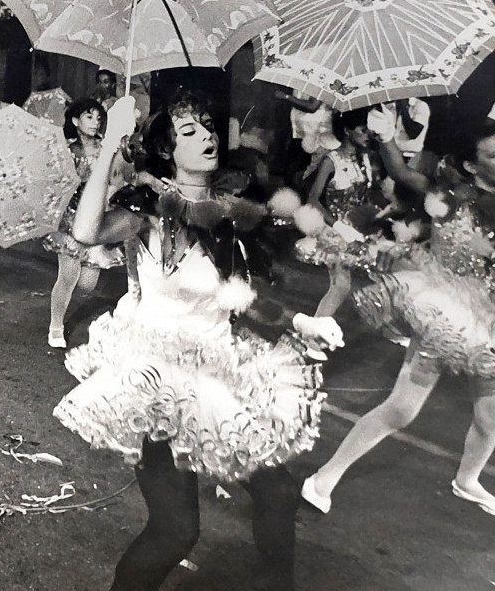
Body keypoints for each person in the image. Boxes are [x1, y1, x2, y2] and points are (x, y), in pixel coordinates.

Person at [53, 91, 341, 591]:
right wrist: (111, 141)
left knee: (277, 493)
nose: (207, 135)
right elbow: (86, 230)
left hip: (218, 370)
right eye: (189, 131)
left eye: (208, 126)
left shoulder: (230, 211)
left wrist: (300, 322)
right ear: (167, 150)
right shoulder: (148, 210)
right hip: (160, 381)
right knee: (176, 532)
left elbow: (236, 297)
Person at [301, 110, 495, 517]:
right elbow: (403, 174)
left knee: (491, 417)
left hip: (487, 319)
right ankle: (324, 476)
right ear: (471, 165)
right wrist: (387, 136)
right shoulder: (448, 197)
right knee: (402, 409)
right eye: (493, 156)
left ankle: (467, 480)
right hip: (443, 316)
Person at [41, 98, 125, 348]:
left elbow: (118, 180)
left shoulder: (107, 149)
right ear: (76, 121)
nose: (95, 122)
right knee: (67, 276)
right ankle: (56, 326)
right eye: (89, 117)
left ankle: (65, 303)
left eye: (98, 117)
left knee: (87, 285)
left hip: (98, 219)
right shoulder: (66, 151)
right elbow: (53, 183)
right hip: (70, 220)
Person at [299, 107, 382, 319]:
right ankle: (313, 331)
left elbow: (367, 196)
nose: (367, 135)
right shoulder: (331, 160)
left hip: (361, 229)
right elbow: (312, 199)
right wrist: (339, 226)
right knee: (341, 286)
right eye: (362, 130)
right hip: (335, 231)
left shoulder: (366, 159)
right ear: (347, 130)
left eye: (369, 131)